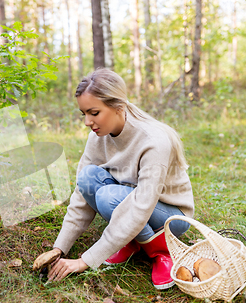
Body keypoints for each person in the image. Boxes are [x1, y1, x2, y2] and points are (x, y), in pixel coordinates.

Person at [35, 68, 194, 289]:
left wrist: (85, 261)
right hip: (129, 198)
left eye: (94, 112)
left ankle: (160, 253)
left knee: (109, 197)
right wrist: (59, 248)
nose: (87, 122)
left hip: (171, 216)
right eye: (84, 114)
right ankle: (130, 240)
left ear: (118, 106)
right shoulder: (97, 137)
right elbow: (81, 196)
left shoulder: (154, 141)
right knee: (88, 178)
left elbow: (141, 206)